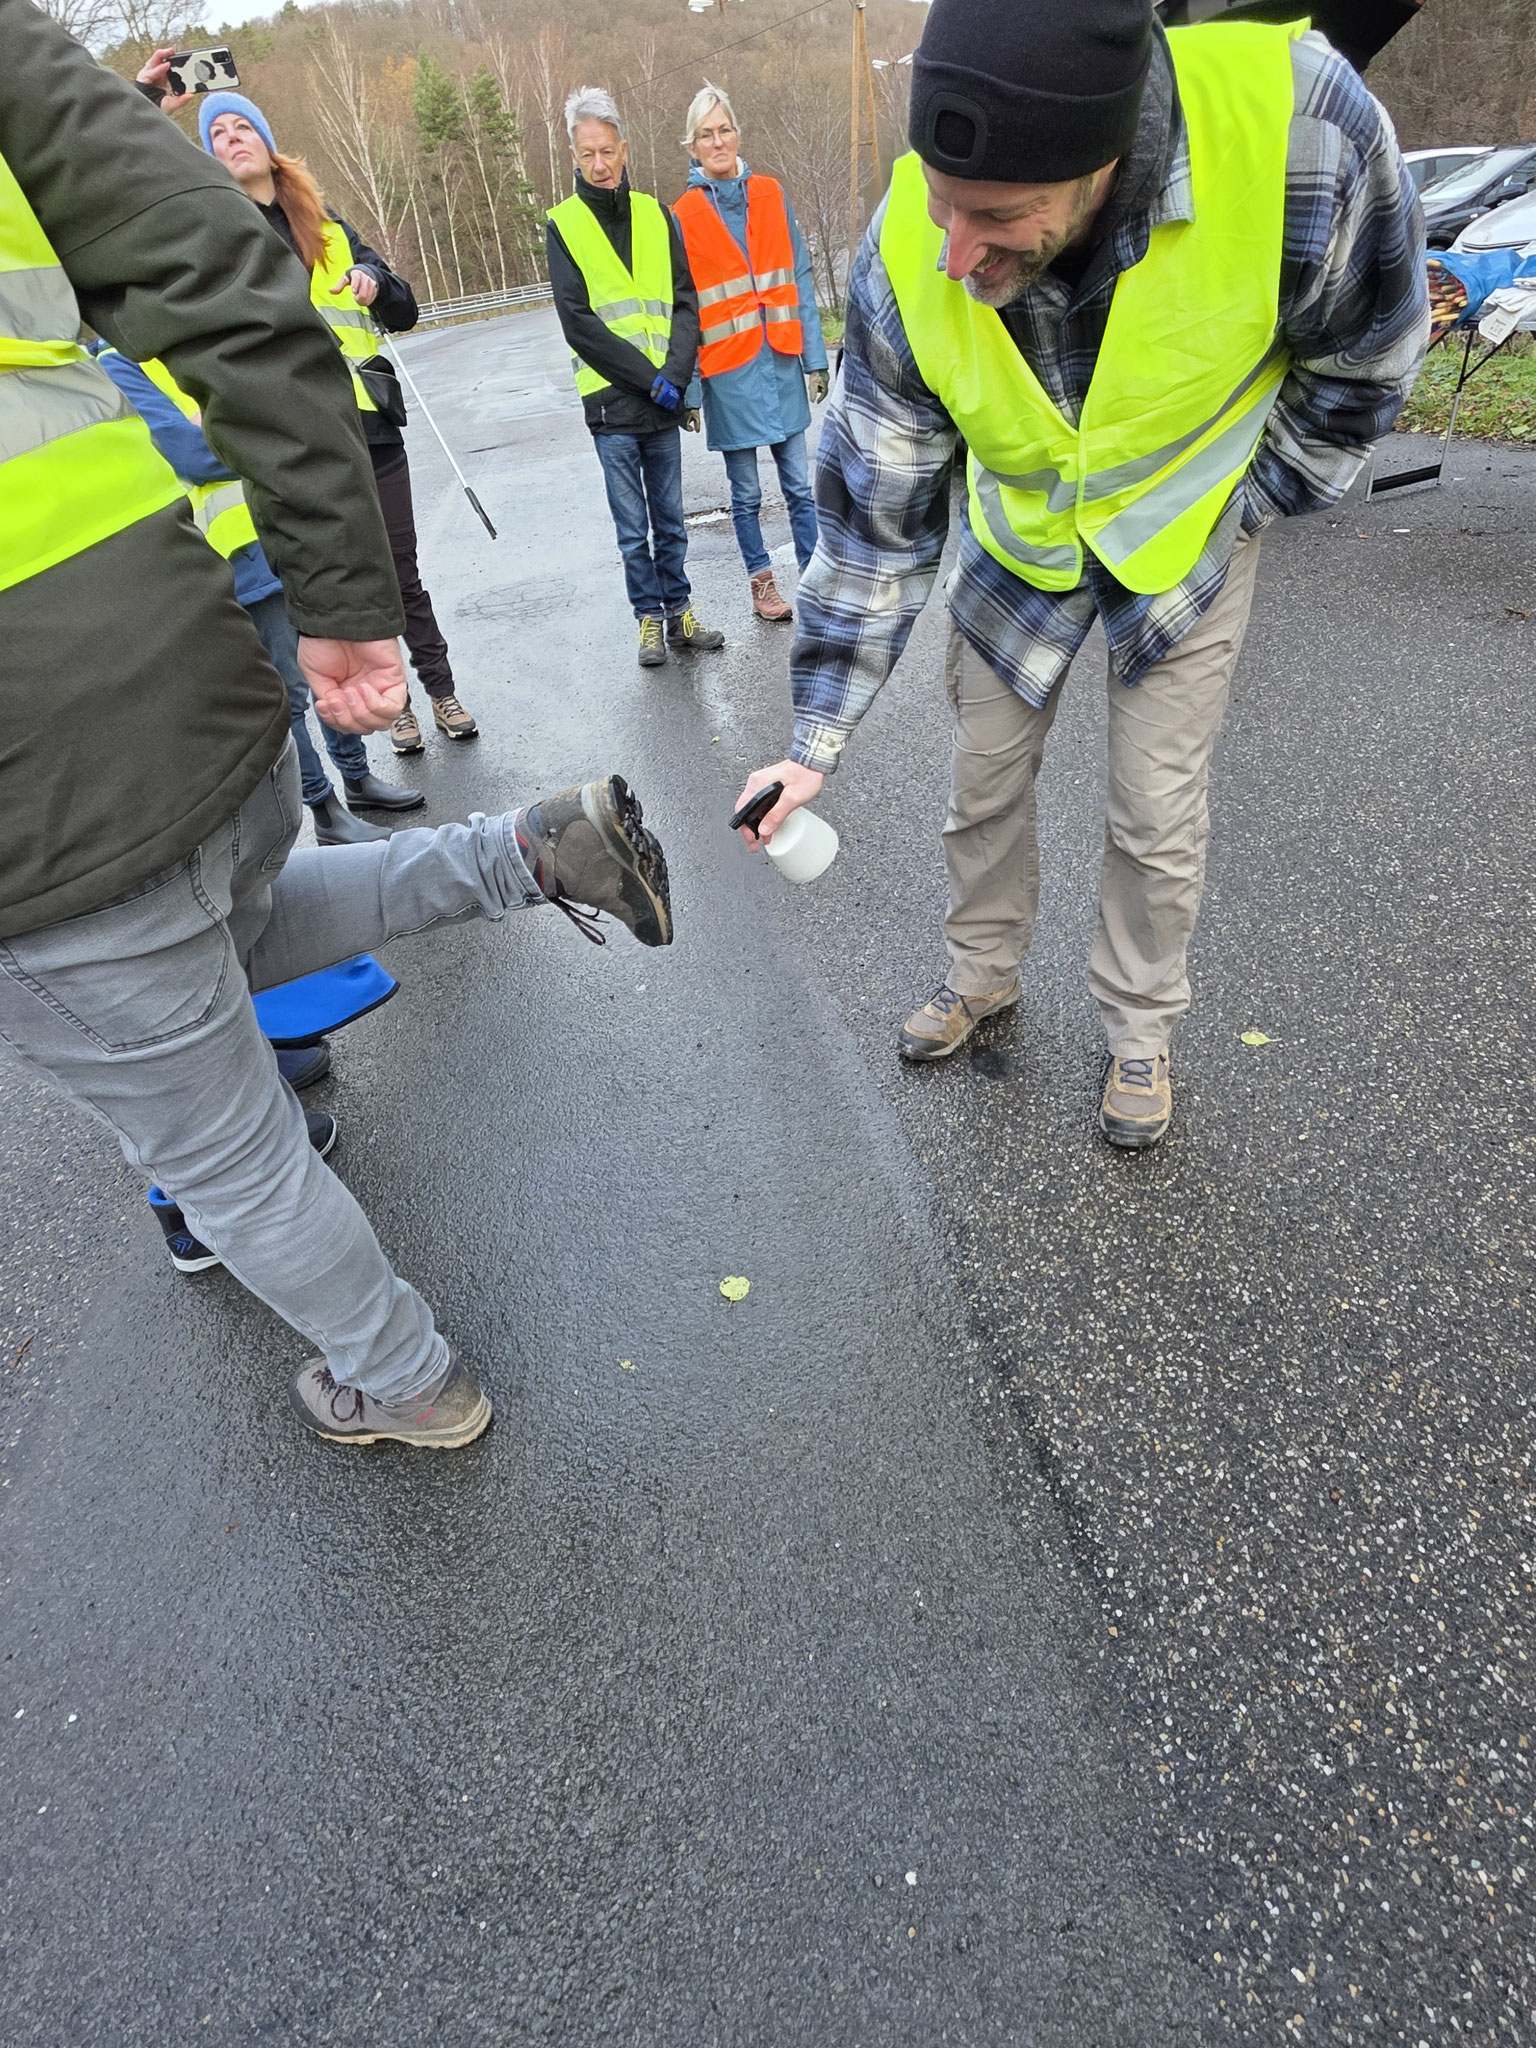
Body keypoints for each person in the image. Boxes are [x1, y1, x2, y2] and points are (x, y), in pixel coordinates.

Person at [0, 0, 674, 1450]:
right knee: (228, 924)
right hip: (183, 671)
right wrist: (336, 595)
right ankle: (529, 854)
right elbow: (232, 288)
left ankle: (406, 1379)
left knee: (226, 1152)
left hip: (28, 800)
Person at [736, 0, 1427, 1150]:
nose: (955, 254)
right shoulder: (913, 246)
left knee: (1157, 814)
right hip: (1021, 552)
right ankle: (982, 973)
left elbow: (1366, 351)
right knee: (983, 785)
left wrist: (1255, 497)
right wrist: (813, 742)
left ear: (1104, 161)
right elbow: (876, 514)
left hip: (1185, 542)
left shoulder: (1299, 127)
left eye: (997, 217)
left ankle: (1141, 1030)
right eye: (942, 203)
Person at [135, 56, 482, 759]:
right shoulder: (216, 238)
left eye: (242, 127)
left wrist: (373, 280)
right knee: (342, 578)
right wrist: (145, 103)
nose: (231, 137)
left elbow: (405, 307)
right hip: (295, 443)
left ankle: (438, 687)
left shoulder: (329, 228)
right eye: (216, 134)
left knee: (400, 569)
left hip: (371, 429)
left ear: (267, 145)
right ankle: (399, 710)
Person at [93, 342, 423, 843]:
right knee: (291, 689)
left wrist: (248, 435)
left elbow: (289, 423)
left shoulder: (204, 343)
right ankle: (324, 808)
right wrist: (271, 440)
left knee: (328, 670)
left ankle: (357, 780)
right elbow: (192, 455)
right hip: (240, 551)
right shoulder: (119, 365)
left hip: (291, 534)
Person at [546, 86, 725, 670]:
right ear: (574, 155)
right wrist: (653, 381)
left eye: (607, 151)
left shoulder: (656, 213)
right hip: (613, 407)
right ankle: (648, 619)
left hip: (663, 399)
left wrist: (676, 372)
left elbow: (683, 301)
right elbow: (579, 323)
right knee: (632, 529)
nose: (599, 164)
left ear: (623, 149)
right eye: (587, 153)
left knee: (671, 521)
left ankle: (680, 612)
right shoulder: (564, 224)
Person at [673, 83, 829, 623]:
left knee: (799, 487)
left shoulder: (771, 193)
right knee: (745, 494)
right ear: (692, 147)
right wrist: (690, 390)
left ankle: (814, 577)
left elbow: (800, 276)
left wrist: (815, 356)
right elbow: (686, 309)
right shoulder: (684, 216)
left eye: (724, 129)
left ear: (737, 134)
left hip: (782, 359)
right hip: (729, 374)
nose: (718, 141)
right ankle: (762, 584)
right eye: (705, 135)